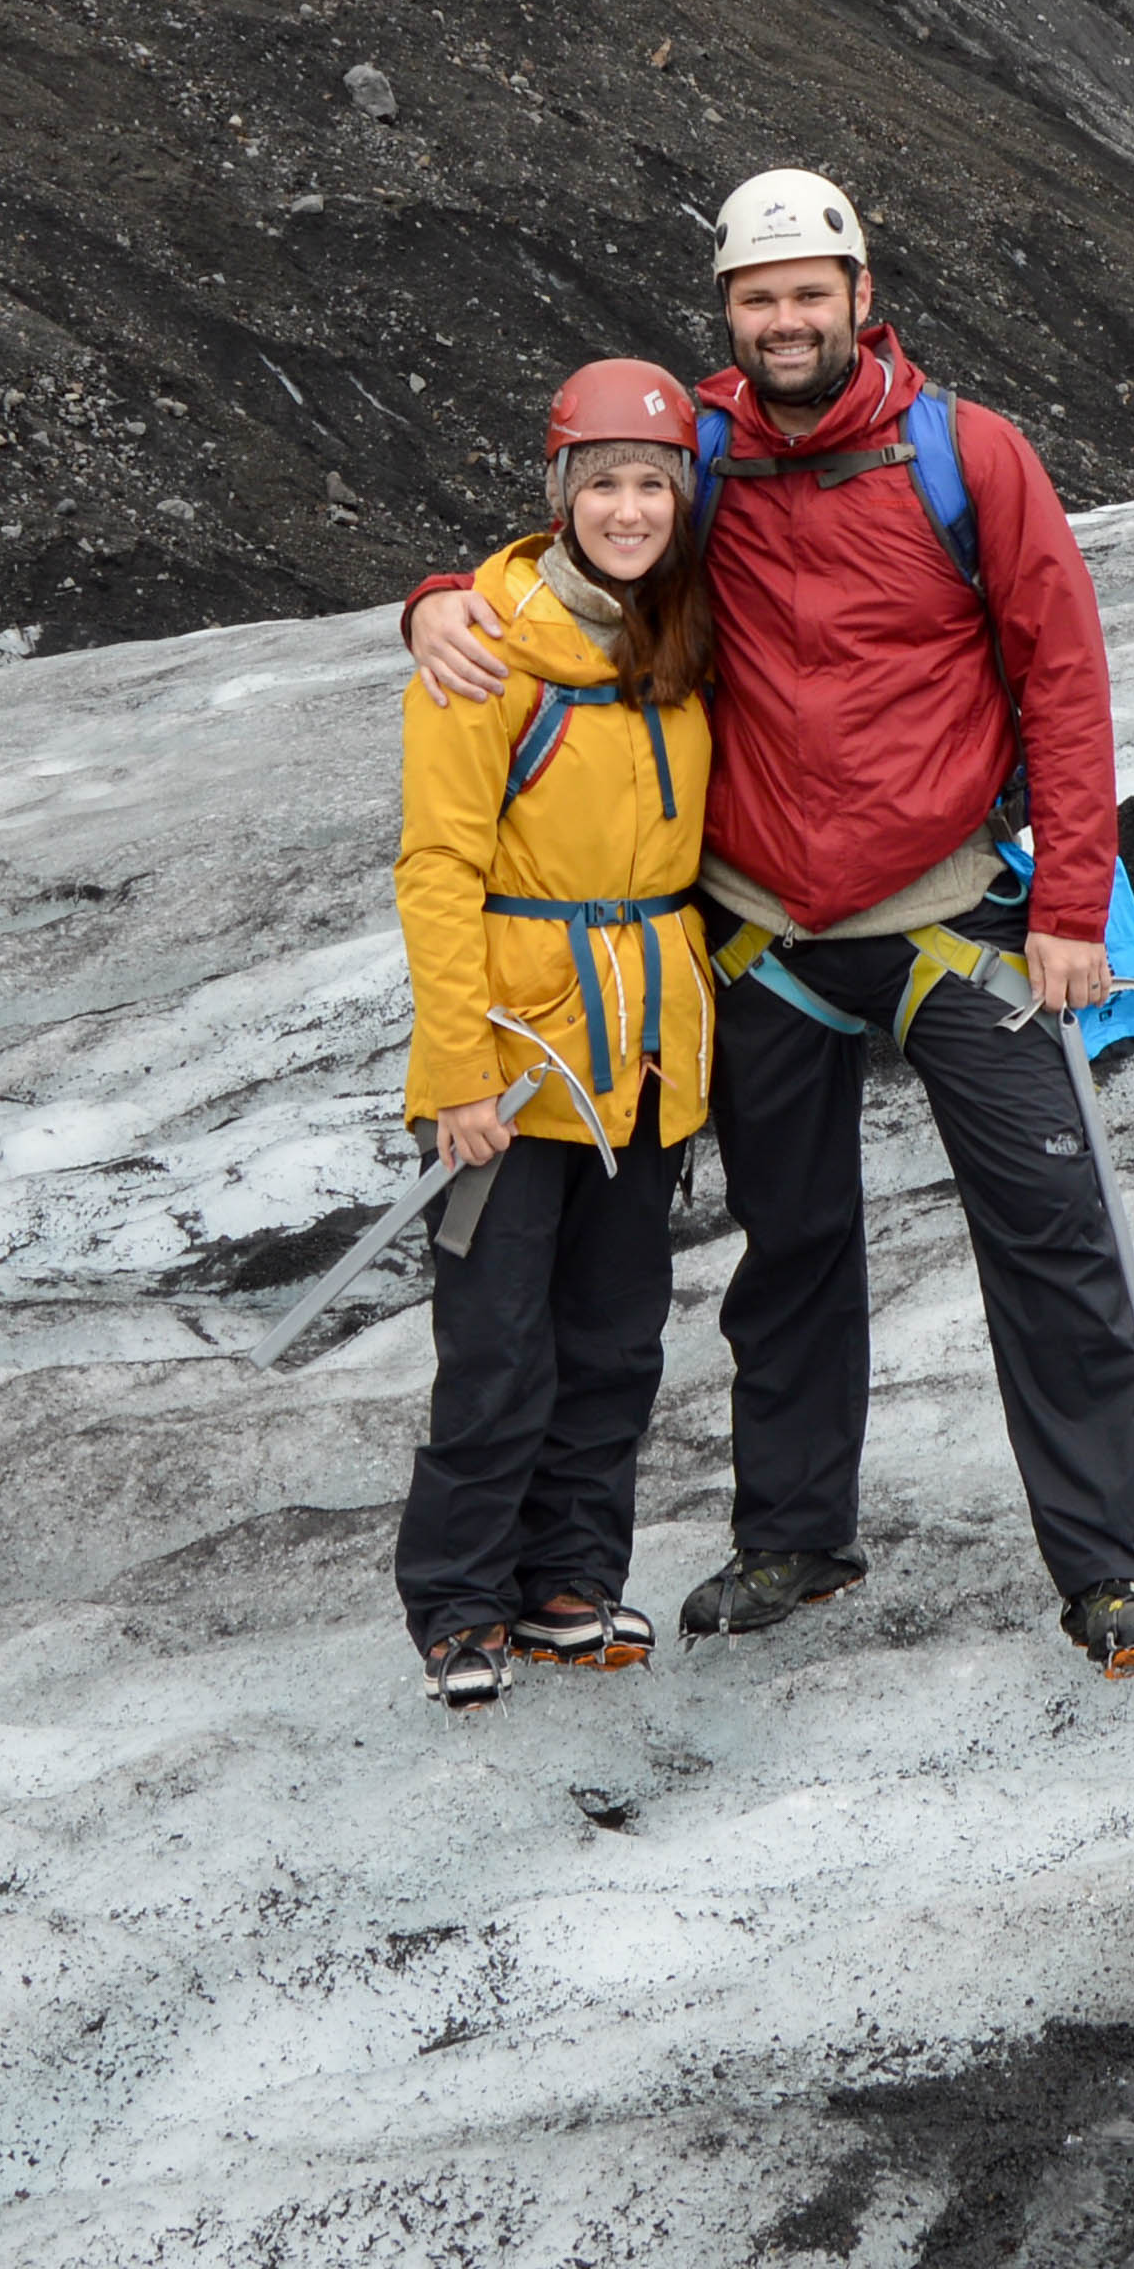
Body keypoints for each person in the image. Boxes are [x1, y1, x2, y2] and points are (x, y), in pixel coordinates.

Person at [407, 173, 1134, 1679]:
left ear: (859, 291)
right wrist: (436, 597)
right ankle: (795, 1538)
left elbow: (1064, 680)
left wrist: (1074, 905)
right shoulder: (693, 452)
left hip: (955, 918)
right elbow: (566, 551)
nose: (784, 321)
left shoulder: (970, 457)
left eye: (807, 293)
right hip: (762, 936)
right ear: (729, 316)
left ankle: (1109, 1569)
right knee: (793, 1252)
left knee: (1051, 1237)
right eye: (757, 300)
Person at [391, 361, 715, 1711]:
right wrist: (461, 1073)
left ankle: (572, 1582)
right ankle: (462, 1601)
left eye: (652, 483)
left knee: (615, 1335)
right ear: (562, 494)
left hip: (646, 1057)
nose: (629, 509)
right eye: (605, 484)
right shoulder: (482, 650)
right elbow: (436, 869)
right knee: (499, 1344)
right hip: (516, 1060)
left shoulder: (687, 635)